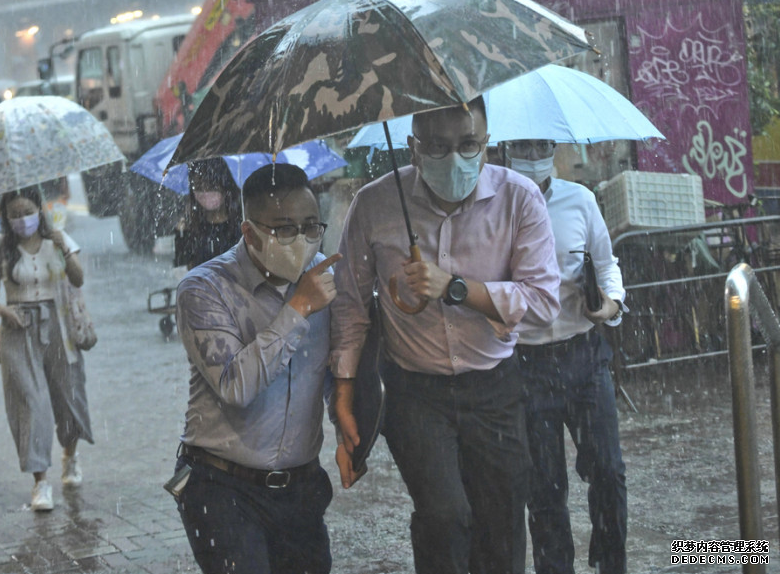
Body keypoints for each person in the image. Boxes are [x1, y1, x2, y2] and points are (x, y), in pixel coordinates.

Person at [330, 98, 561, 574]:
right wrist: (345, 396)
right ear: (413, 148)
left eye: (467, 144)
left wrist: (457, 289)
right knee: (444, 516)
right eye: (437, 146)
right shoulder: (375, 204)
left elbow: (542, 302)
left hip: (494, 386)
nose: (453, 158)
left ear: (486, 145)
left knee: (500, 521)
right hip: (416, 393)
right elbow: (350, 306)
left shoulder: (519, 200)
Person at [173, 163, 342, 574]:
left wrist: (349, 416)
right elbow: (236, 386)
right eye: (284, 229)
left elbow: (337, 368)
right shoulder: (204, 289)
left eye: (310, 227)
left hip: (300, 486)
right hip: (222, 486)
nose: (300, 241)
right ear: (250, 232)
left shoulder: (325, 278)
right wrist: (297, 308)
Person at [500, 139, 627, 574]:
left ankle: (612, 561)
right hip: (525, 364)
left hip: (585, 356)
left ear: (553, 147)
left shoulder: (580, 200)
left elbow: (608, 264)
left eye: (540, 144)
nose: (532, 152)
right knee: (544, 490)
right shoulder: (491, 207)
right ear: (503, 146)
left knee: (608, 471)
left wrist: (609, 304)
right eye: (522, 144)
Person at [0, 185, 94, 512]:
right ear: (5, 217)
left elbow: (79, 279)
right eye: (14, 214)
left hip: (58, 325)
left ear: (39, 210)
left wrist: (64, 250)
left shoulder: (58, 239)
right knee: (30, 404)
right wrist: (4, 311)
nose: (21, 219)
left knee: (68, 397)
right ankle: (40, 482)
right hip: (17, 329)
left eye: (27, 212)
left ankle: (70, 456)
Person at [173, 158, 243, 270]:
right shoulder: (189, 227)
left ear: (225, 186)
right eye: (199, 187)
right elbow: (180, 268)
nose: (205, 192)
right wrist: (181, 235)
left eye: (212, 186)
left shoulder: (240, 225)